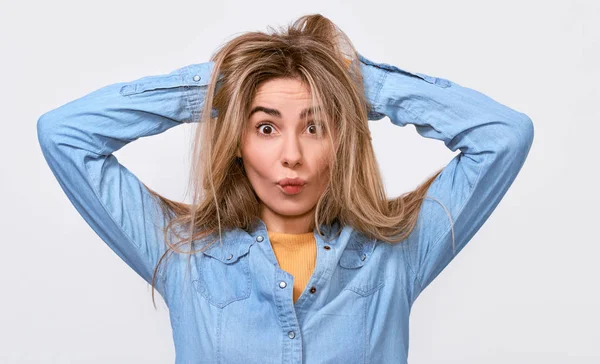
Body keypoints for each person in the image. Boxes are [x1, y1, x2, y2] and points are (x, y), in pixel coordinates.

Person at [36, 13, 534, 364]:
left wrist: (359, 85)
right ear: (238, 141)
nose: (291, 155)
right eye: (266, 127)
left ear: (342, 142)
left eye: (315, 126)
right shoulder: (184, 254)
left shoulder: (396, 253)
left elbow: (502, 136)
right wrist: (218, 90)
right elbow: (66, 134)